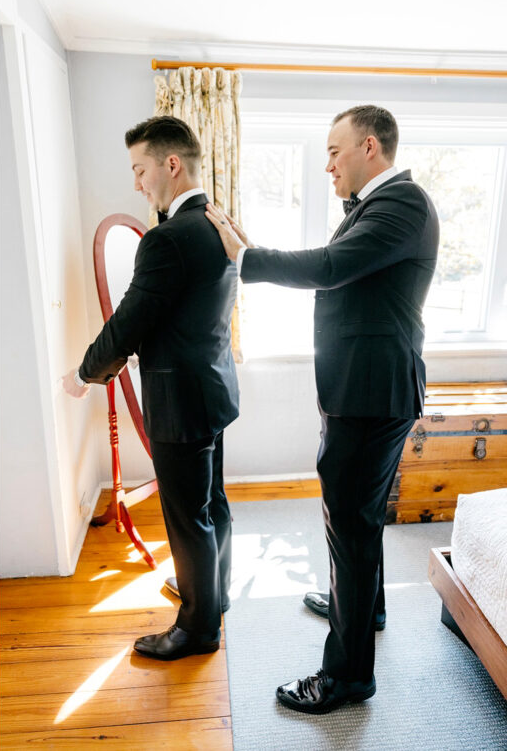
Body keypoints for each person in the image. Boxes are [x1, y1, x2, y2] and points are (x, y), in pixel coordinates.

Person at [205, 104, 439, 714]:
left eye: (334, 151)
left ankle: (347, 677)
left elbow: (330, 269)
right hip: (363, 389)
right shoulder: (378, 208)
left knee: (350, 524)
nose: (327, 165)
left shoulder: (403, 204)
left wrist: (243, 259)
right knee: (360, 519)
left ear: (369, 146)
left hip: (370, 394)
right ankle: (368, 606)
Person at [62, 115, 239, 661]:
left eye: (140, 169)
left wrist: (85, 373)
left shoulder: (166, 240)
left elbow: (128, 323)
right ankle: (213, 595)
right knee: (211, 502)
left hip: (179, 400)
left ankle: (196, 628)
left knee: (188, 519)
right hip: (212, 388)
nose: (136, 182)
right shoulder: (220, 222)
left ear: (171, 164)